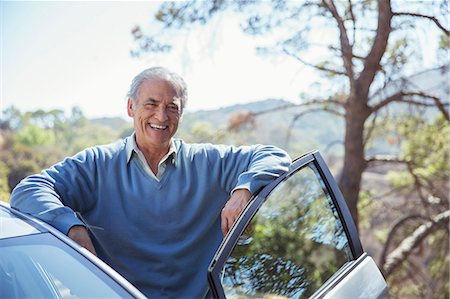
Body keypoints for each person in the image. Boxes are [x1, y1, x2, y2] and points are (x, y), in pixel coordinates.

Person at [10, 66, 291, 298]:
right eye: (152, 104)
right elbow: (29, 190)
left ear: (180, 114)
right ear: (131, 107)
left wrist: (243, 190)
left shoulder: (207, 161)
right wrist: (72, 228)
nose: (161, 116)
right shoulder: (96, 165)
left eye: (172, 107)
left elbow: (273, 155)